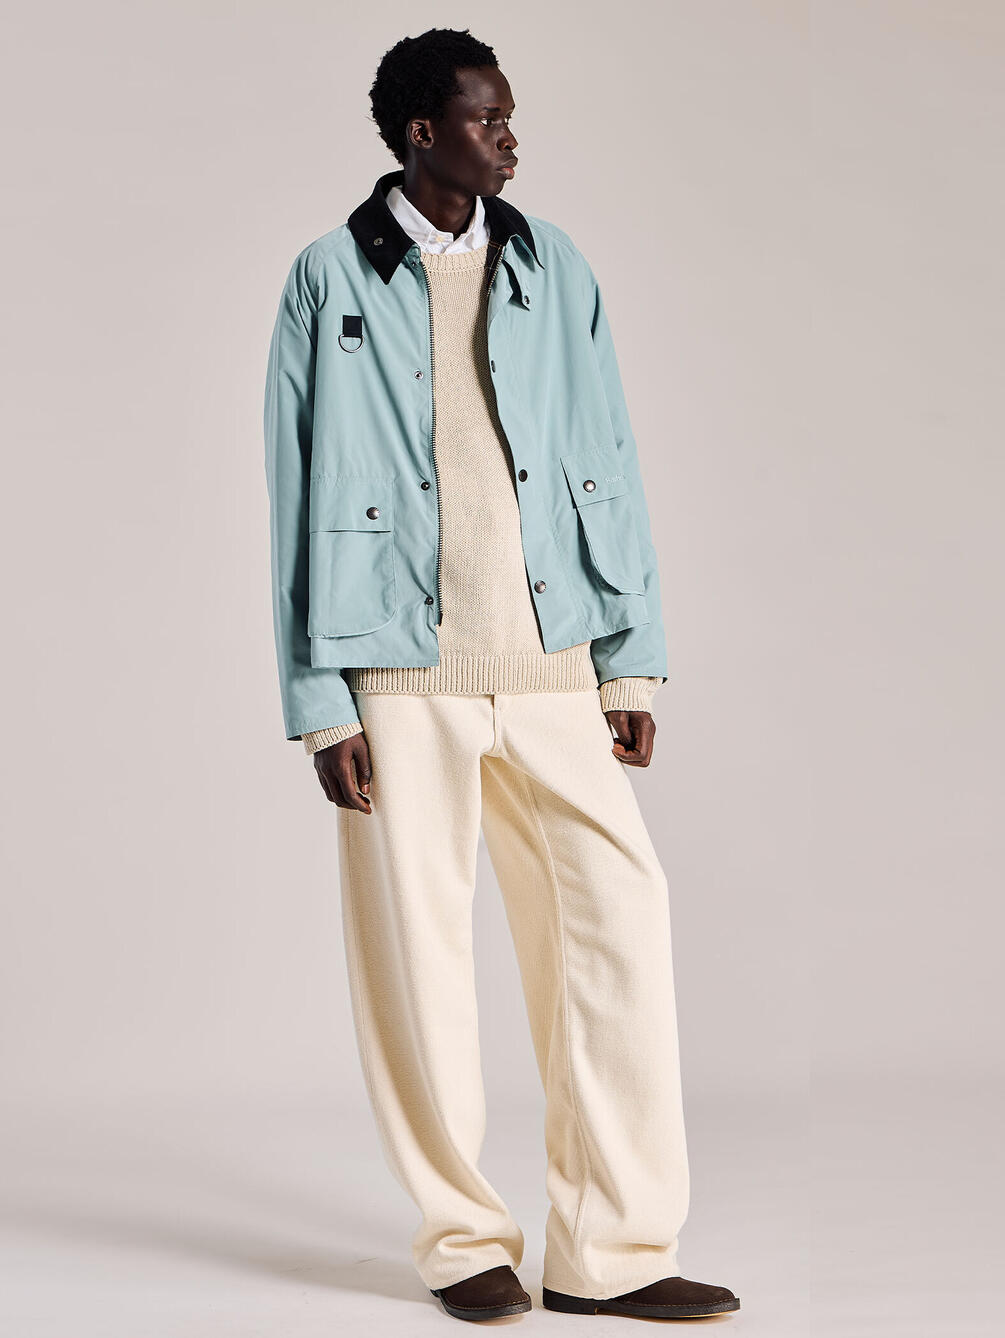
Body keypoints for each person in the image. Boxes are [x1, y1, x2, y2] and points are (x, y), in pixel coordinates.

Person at [263, 25, 739, 1325]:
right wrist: (318, 703)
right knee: (419, 960)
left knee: (616, 922)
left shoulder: (551, 264)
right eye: (489, 119)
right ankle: (462, 1235)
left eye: (510, 117)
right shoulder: (328, 277)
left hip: (551, 658)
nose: (512, 141)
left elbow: (608, 452)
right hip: (393, 673)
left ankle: (612, 1252)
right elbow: (290, 493)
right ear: (424, 133)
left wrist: (627, 660)